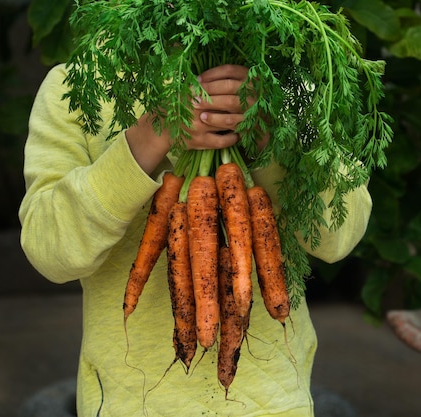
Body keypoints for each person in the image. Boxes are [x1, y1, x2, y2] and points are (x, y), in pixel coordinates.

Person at [19, 62, 372, 417]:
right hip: (127, 401)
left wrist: (273, 134)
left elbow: (339, 235)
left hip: (273, 399)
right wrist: (144, 143)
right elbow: (50, 251)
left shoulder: (282, 79)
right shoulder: (78, 85)